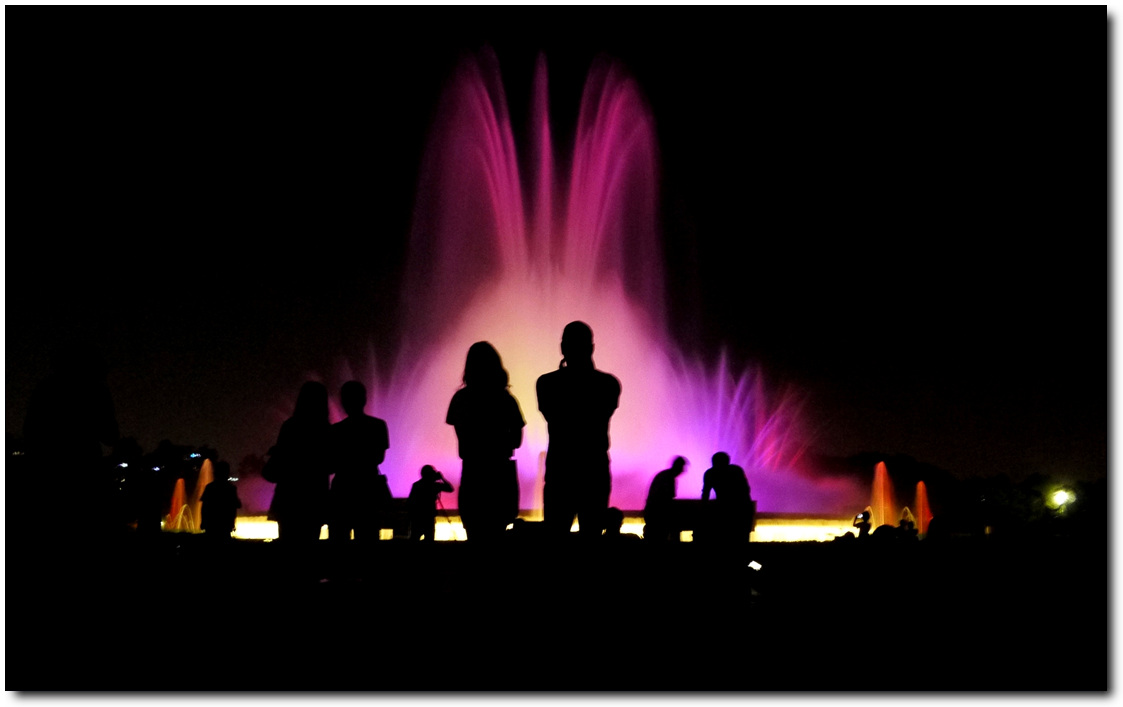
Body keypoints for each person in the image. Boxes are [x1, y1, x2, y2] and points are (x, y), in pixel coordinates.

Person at [535, 321, 621, 540]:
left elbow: (554, 417)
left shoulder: (546, 384)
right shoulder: (609, 384)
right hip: (594, 469)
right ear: (591, 348)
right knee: (591, 537)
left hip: (560, 470)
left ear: (562, 348)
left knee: (555, 535)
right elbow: (600, 415)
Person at [446, 342, 526, 542]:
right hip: (500, 475)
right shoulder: (506, 400)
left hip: (473, 475)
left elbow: (462, 437)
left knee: (474, 536)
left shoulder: (460, 399)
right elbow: (517, 440)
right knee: (498, 536)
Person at [266, 381, 332, 543]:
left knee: (288, 538)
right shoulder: (326, 429)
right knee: (310, 538)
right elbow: (331, 464)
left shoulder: (290, 426)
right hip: (315, 495)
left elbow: (282, 457)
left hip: (289, 494)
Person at [328, 380, 391, 542]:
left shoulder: (336, 430)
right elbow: (379, 458)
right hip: (368, 488)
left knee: (338, 536)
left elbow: (331, 464)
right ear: (364, 399)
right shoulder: (378, 425)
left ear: (343, 402)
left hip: (343, 489)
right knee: (367, 536)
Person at [700, 451, 753, 545]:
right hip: (741, 506)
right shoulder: (736, 470)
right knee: (741, 536)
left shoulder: (710, 473)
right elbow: (746, 488)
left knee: (725, 536)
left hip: (724, 507)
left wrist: (703, 509)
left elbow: (705, 493)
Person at [643, 456, 688, 542]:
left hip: (652, 512)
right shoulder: (669, 478)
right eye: (683, 467)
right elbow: (667, 499)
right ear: (679, 466)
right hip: (657, 514)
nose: (683, 470)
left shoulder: (664, 475)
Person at [407, 465, 454, 542]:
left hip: (417, 517)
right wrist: (442, 478)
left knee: (415, 538)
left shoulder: (416, 485)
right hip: (428, 516)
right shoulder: (434, 485)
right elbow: (450, 489)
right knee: (429, 539)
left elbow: (410, 502)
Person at [201, 460, 241, 540]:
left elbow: (205, 507)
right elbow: (236, 506)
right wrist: (232, 523)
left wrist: (203, 521)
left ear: (215, 473)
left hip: (211, 523)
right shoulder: (231, 488)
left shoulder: (210, 487)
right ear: (227, 473)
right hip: (225, 523)